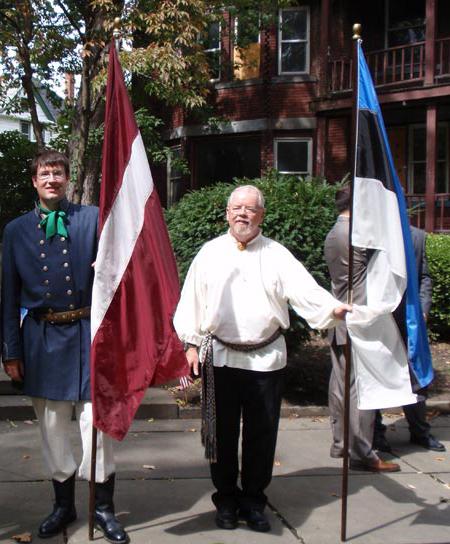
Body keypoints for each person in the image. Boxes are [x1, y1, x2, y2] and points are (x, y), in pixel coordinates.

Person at [173, 185, 352, 533]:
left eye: (250, 208)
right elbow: (190, 301)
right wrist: (190, 345)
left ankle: (254, 501)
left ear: (261, 216)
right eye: (236, 207)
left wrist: (333, 307)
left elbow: (305, 290)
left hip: (266, 361)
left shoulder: (277, 254)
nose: (243, 213)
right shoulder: (209, 254)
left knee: (261, 436)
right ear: (226, 213)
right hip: (221, 360)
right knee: (221, 436)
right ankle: (225, 500)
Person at [1, 150, 129, 543]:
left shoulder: (92, 219)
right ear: (34, 181)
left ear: (67, 178)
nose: (52, 179)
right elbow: (7, 295)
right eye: (44, 173)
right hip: (42, 341)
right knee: (53, 427)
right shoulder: (15, 230)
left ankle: (103, 508)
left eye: (58, 172)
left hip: (91, 335)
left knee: (98, 426)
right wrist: (11, 351)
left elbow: (123, 268)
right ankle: (63, 506)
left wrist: (110, 263)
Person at [324, 186, 400, 473]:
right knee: (358, 387)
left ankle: (342, 444)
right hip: (357, 319)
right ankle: (362, 451)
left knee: (341, 384)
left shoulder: (336, 231)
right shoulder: (353, 235)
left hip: (341, 317)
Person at [373, 225, 446, 453]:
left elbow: (424, 276)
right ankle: (376, 435)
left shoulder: (417, 236)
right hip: (379, 320)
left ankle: (420, 432)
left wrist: (424, 308)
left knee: (414, 376)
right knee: (377, 375)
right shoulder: (372, 234)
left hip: (410, 320)